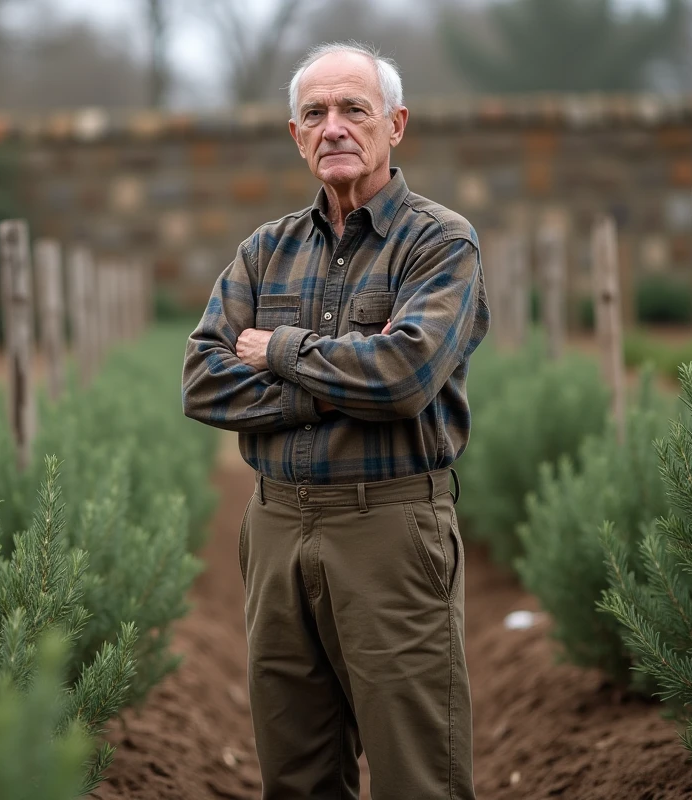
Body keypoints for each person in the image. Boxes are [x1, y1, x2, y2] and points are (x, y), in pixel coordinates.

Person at [180, 40, 489, 800]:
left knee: (419, 774)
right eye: (314, 113)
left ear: (396, 124)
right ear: (296, 135)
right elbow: (201, 383)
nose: (334, 126)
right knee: (297, 774)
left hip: (390, 531)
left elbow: (406, 376)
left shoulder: (440, 242)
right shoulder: (264, 252)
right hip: (276, 527)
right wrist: (335, 380)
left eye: (355, 108)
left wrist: (280, 350)